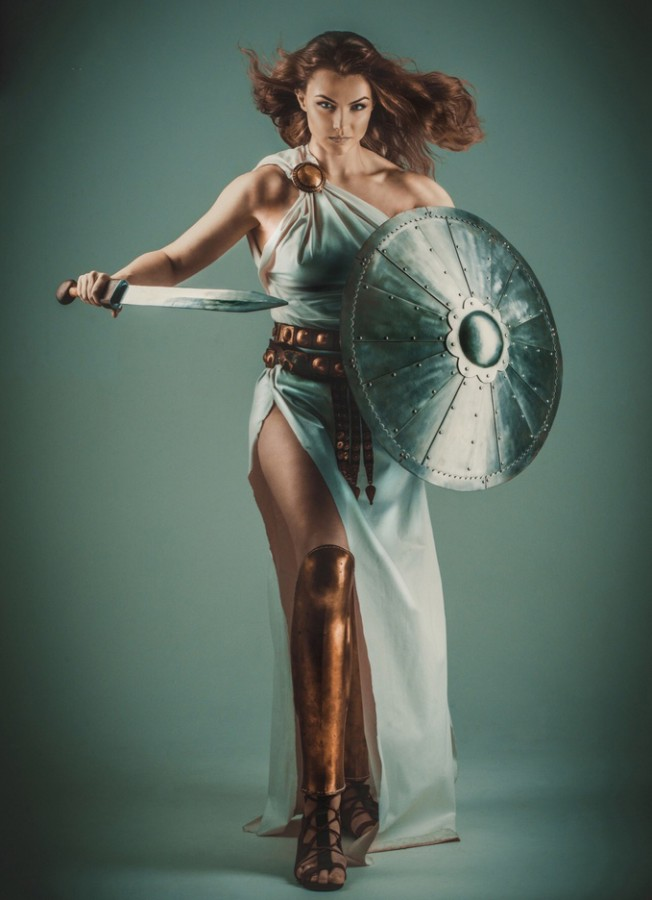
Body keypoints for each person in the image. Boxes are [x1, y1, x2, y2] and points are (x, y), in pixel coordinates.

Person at [75, 31, 483, 891]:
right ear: (300, 101)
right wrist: (117, 282)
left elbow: (458, 313)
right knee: (326, 571)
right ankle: (322, 815)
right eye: (325, 104)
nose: (340, 122)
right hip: (292, 398)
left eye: (357, 106)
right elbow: (178, 259)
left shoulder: (417, 195)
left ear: (374, 105)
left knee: (381, 610)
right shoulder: (268, 184)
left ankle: (363, 781)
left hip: (384, 421)